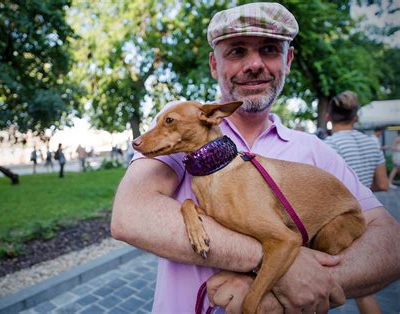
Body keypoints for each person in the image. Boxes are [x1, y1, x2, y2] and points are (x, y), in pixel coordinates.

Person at [111, 3, 400, 313]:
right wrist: (271, 261)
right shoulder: (185, 126)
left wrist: (287, 284)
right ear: (214, 64)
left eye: (269, 49)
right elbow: (130, 216)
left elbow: (391, 245)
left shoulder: (316, 150)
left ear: (287, 60)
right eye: (236, 52)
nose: (254, 64)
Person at [325, 91, 389, 313]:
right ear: (356, 117)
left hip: (340, 220)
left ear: (328, 117)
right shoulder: (372, 143)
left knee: (325, 287)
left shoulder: (329, 146)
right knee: (363, 291)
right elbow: (383, 183)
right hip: (368, 217)